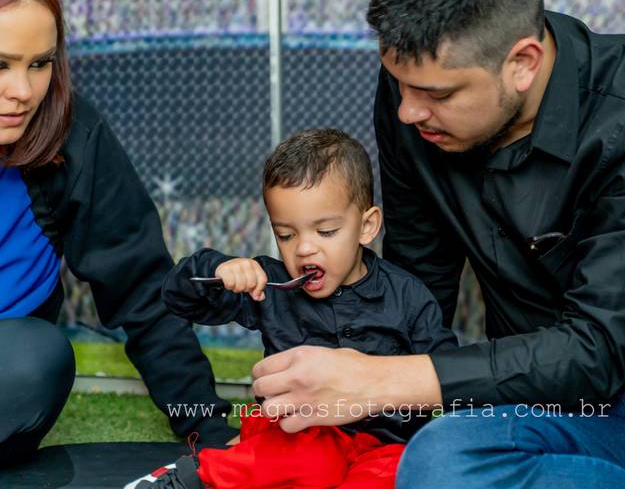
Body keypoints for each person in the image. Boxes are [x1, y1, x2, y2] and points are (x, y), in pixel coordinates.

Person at [248, 0, 625, 486]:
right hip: (551, 417)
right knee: (437, 465)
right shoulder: (414, 101)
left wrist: (381, 379)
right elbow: (417, 283)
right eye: (398, 83)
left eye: (436, 93)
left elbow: (600, 351)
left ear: (523, 63)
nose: (407, 111)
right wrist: (362, 406)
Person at [128, 129, 457, 488]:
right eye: (286, 235)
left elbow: (446, 374)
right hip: (294, 432)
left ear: (366, 226)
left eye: (326, 231)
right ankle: (195, 476)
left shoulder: (408, 295)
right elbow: (179, 299)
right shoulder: (269, 284)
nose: (304, 249)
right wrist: (218, 269)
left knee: (395, 472)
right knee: (310, 460)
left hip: (385, 444)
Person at [0, 0, 236, 466]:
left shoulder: (74, 137)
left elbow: (142, 288)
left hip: (10, 367)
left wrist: (209, 429)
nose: (22, 91)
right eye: (0, 65)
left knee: (36, 359)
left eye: (40, 63)